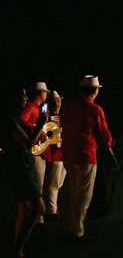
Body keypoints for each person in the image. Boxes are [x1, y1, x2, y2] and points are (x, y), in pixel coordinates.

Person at [60, 75, 114, 240]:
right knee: (83, 195)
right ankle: (77, 229)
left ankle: (74, 225)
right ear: (95, 91)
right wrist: (110, 143)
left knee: (74, 192)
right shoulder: (94, 109)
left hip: (68, 154)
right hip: (85, 155)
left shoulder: (68, 106)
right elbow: (103, 135)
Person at [2, 87, 47, 258]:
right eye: (22, 95)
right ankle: (16, 251)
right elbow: (28, 144)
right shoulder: (10, 122)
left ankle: (18, 254)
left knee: (26, 211)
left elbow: (31, 140)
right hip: (20, 168)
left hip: (24, 166)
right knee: (38, 207)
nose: (26, 98)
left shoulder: (16, 121)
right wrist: (39, 125)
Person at [21, 82, 50, 224]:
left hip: (38, 152)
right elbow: (20, 122)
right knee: (37, 186)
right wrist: (37, 130)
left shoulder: (37, 109)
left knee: (39, 185)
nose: (46, 95)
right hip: (35, 153)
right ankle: (37, 217)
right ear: (40, 93)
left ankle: (37, 215)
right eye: (45, 92)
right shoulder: (31, 108)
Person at [44, 91, 66, 219]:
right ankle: (51, 210)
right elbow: (49, 134)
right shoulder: (47, 116)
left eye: (58, 100)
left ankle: (53, 208)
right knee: (53, 182)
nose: (57, 103)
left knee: (58, 182)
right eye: (55, 101)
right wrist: (64, 129)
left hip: (62, 152)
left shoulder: (62, 116)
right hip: (54, 153)